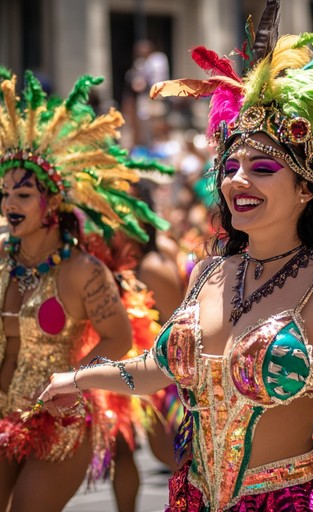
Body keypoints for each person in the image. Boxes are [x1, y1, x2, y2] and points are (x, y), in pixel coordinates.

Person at [38, 3, 313, 511]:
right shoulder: (211, 272)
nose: (238, 179)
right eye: (231, 165)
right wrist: (78, 378)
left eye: (263, 167)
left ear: (306, 189)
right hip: (191, 499)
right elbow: (157, 368)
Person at [0, 69, 170, 512]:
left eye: (22, 194)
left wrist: (75, 381)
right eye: (4, 194)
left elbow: (119, 337)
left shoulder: (82, 271)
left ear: (51, 201)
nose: (9, 205)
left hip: (58, 421)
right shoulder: (1, 255)